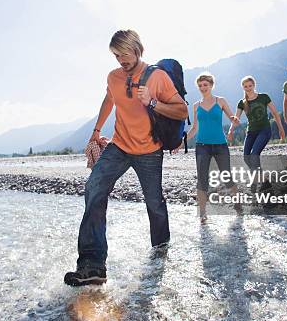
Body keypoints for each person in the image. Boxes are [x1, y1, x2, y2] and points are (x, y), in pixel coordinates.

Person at [64, 30, 188, 287]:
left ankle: (160, 253)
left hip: (149, 151)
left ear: (137, 49)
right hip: (119, 146)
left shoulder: (158, 77)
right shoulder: (113, 77)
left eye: (125, 53)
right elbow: (110, 98)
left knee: (155, 203)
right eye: (116, 55)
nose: (121, 59)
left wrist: (152, 103)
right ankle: (92, 264)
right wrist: (97, 130)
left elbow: (181, 110)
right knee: (94, 188)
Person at [179, 73, 240, 223]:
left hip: (220, 145)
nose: (202, 88)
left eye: (205, 85)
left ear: (211, 85)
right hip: (202, 147)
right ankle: (203, 213)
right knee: (202, 179)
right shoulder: (196, 106)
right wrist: (181, 143)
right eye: (200, 86)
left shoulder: (220, 101)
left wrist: (234, 121)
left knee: (227, 177)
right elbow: (194, 129)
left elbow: (232, 118)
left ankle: (237, 204)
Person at [228, 76, 285, 176]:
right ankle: (259, 174)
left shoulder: (264, 97)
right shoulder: (242, 102)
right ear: (243, 88)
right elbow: (236, 119)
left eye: (250, 85)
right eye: (246, 86)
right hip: (251, 132)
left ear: (254, 85)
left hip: (264, 130)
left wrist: (281, 128)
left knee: (254, 154)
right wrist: (231, 131)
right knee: (246, 157)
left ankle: (260, 179)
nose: (248, 88)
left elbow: (275, 113)